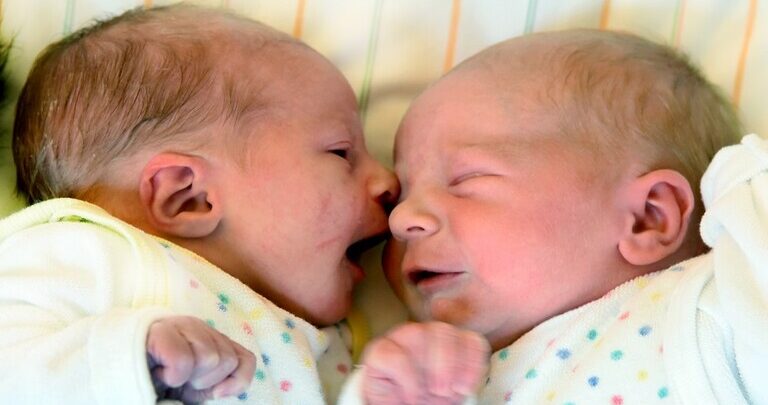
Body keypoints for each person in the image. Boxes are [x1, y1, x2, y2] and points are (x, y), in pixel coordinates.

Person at [0, 4, 404, 404]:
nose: (389, 181)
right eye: (340, 152)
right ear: (188, 197)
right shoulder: (83, 253)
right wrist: (128, 360)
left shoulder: (328, 342)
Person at [343, 29, 767, 404]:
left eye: (465, 178)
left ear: (647, 217)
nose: (400, 219)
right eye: (401, 194)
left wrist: (746, 184)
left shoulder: (709, 314)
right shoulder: (438, 379)